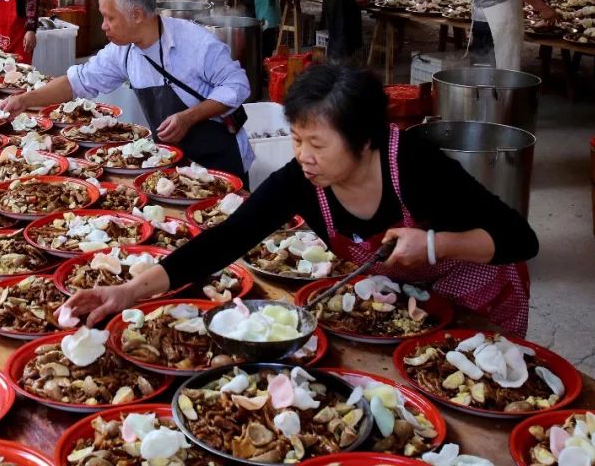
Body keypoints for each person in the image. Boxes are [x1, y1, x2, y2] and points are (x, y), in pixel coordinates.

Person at [62, 64, 538, 336]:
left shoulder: (414, 164)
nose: (304, 157)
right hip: (407, 302)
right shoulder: (302, 180)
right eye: (296, 140)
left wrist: (435, 246)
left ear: (365, 140)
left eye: (318, 144)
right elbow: (228, 238)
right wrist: (127, 291)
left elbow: (521, 238)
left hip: (480, 291)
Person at [1, 0, 254, 180]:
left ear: (136, 15)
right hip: (174, 162)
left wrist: (189, 117)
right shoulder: (123, 51)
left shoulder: (195, 43)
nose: (103, 26)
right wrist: (25, 100)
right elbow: (78, 81)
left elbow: (237, 85)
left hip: (221, 160)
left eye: (110, 18)